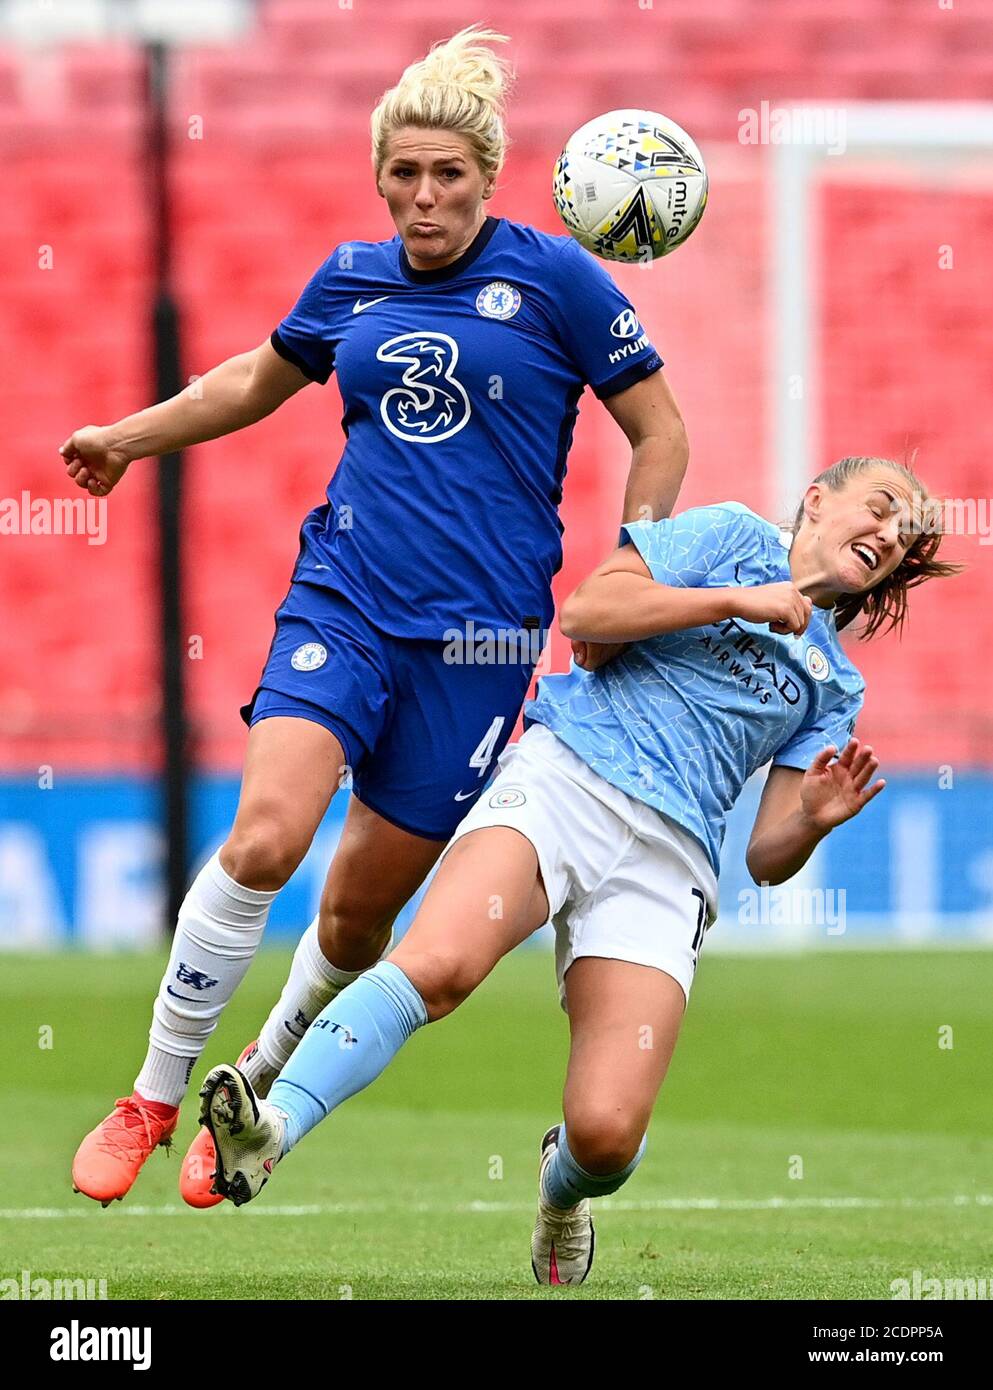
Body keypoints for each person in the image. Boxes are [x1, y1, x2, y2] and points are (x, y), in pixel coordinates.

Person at [65, 25, 689, 1208]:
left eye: (446, 172)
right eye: (403, 172)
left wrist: (634, 567)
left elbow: (661, 430)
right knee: (264, 838)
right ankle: (151, 1092)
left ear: (487, 176)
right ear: (380, 176)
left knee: (356, 918)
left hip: (482, 644)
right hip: (344, 600)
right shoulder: (349, 274)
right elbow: (254, 377)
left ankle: (260, 1074)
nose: (422, 194)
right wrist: (126, 438)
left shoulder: (555, 279)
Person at [197, 456, 960, 1283]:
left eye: (903, 534)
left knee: (605, 1136)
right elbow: (588, 609)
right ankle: (271, 1131)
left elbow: (764, 859)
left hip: (668, 862)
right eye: (879, 506)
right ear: (817, 500)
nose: (887, 533)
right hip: (566, 780)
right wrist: (739, 598)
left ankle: (562, 1190)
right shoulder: (730, 535)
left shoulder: (833, 684)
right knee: (438, 966)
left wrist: (809, 821)